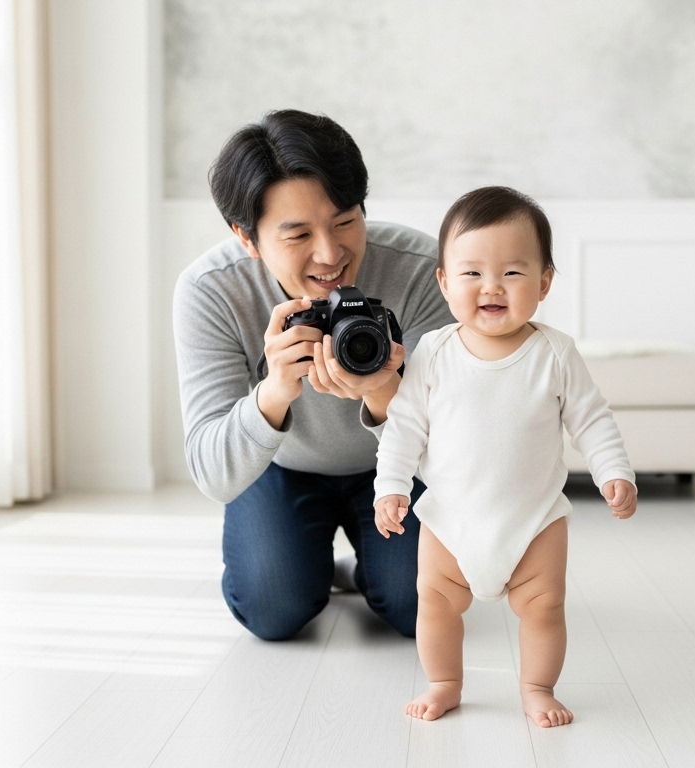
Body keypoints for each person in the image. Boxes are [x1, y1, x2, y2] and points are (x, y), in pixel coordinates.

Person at [173, 110, 454, 641]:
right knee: (273, 610)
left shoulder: (421, 270)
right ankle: (314, 568)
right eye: (298, 234)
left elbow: (457, 445)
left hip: (394, 470)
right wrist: (274, 391)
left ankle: (362, 571)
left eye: (346, 221)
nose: (331, 254)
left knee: (419, 608)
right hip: (280, 467)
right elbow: (213, 472)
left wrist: (385, 393)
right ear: (247, 237)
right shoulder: (211, 291)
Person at [372, 186, 638, 727]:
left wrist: (615, 472)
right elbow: (403, 427)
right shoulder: (434, 353)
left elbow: (591, 418)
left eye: (513, 273)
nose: (491, 286)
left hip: (534, 520)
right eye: (471, 273)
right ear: (444, 282)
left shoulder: (555, 353)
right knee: (435, 603)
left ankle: (538, 688)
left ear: (544, 282)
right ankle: (445, 682)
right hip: (450, 519)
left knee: (544, 608)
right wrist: (391, 487)